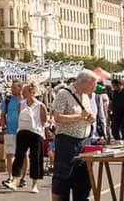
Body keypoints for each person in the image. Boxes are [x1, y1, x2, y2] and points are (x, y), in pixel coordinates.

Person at [51, 70, 98, 201]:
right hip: (67, 142)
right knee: (64, 178)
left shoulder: (86, 96)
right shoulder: (63, 94)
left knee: (83, 180)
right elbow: (57, 117)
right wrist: (79, 116)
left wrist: (90, 118)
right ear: (82, 82)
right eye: (92, 85)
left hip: (84, 141)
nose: (94, 88)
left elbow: (86, 115)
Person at [3, 82, 47, 194]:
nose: (23, 92)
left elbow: (44, 121)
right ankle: (14, 181)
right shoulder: (21, 104)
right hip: (22, 132)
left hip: (36, 133)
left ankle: (34, 184)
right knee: (19, 157)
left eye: (25, 91)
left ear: (32, 92)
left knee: (36, 159)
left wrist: (41, 131)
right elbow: (19, 118)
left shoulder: (40, 105)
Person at [0, 80, 27, 188]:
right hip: (10, 130)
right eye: (12, 87)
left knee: (24, 155)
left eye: (14, 87)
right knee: (9, 155)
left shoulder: (26, 100)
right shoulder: (7, 99)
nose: (12, 89)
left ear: (20, 88)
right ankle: (10, 177)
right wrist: (3, 126)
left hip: (23, 131)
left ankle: (23, 178)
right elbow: (2, 114)